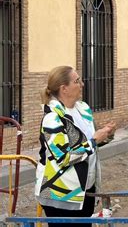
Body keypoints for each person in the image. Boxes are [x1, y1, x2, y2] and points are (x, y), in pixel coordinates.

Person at [35, 66, 116, 227]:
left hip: (86, 190)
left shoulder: (83, 109)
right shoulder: (52, 118)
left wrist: (106, 135)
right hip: (61, 194)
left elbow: (90, 144)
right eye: (77, 81)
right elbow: (63, 157)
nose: (82, 84)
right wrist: (94, 141)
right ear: (64, 88)